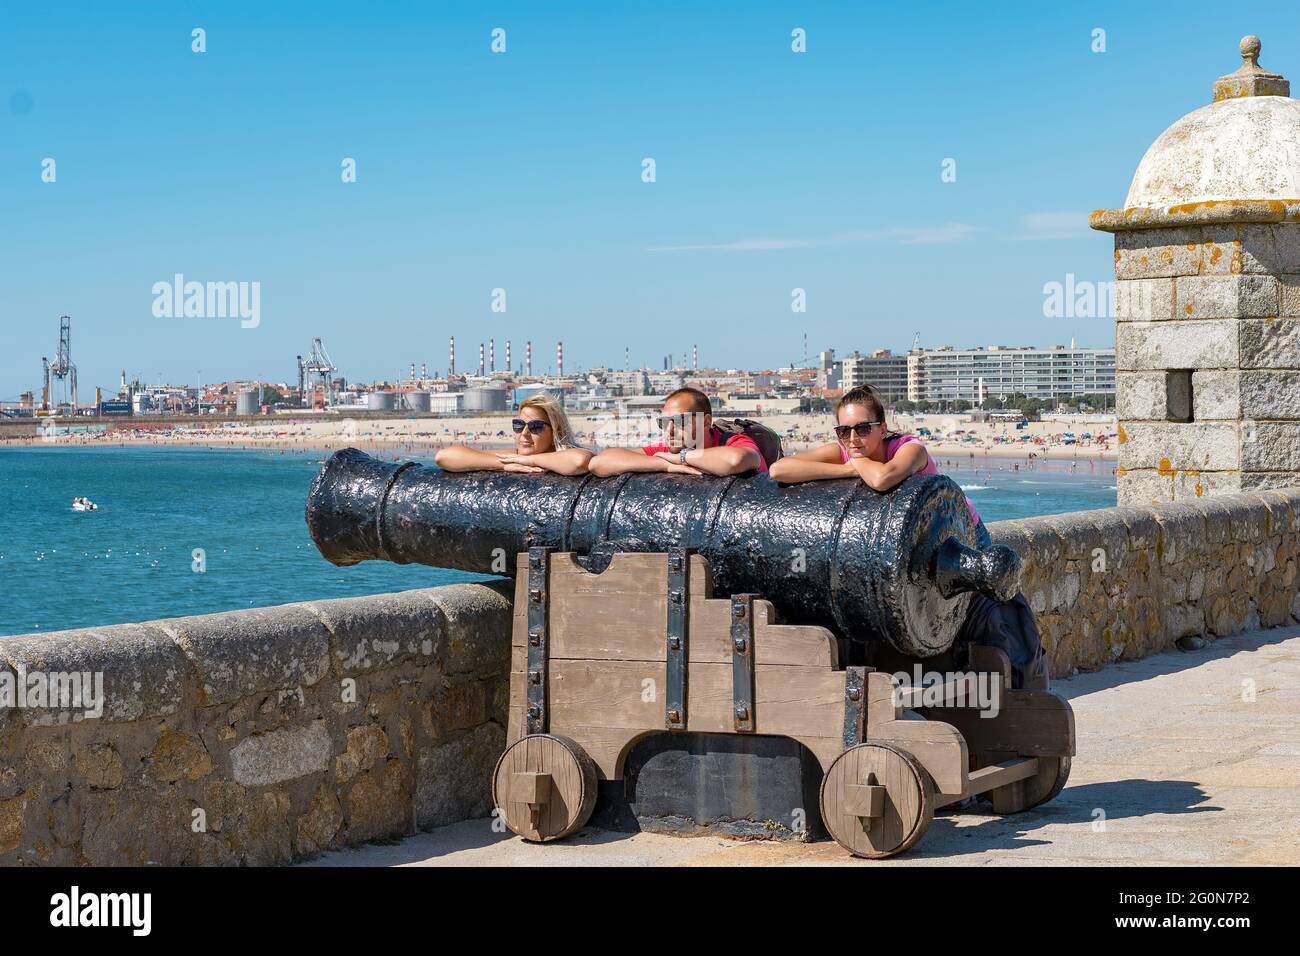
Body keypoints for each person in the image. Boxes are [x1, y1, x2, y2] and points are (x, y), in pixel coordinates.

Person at [769, 384, 1049, 691]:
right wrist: (846, 471)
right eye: (843, 431)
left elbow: (883, 478)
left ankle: (1011, 681)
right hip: (911, 545)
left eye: (862, 428)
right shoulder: (846, 452)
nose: (852, 439)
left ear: (882, 428)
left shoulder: (909, 448)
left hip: (960, 535)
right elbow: (779, 470)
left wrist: (857, 464)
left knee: (976, 614)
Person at [588, 387, 766, 477]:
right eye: (664, 422)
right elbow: (600, 462)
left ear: (706, 421)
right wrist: (665, 465)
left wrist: (683, 458)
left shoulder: (732, 442)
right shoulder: (669, 451)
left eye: (681, 421)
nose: (670, 430)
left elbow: (737, 460)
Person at [435, 392, 592, 476]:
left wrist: (529, 461)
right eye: (519, 425)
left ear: (555, 432)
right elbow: (444, 457)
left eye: (535, 426)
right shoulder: (514, 456)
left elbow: (579, 461)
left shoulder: (565, 454)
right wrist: (506, 464)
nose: (524, 433)